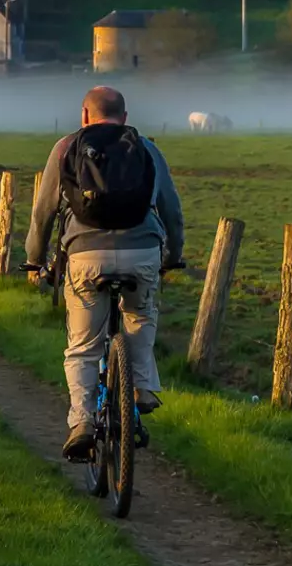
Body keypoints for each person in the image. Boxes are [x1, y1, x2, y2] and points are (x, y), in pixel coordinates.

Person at [25, 86, 184, 459]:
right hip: (143, 251)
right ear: (125, 117)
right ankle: (141, 387)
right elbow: (172, 211)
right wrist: (173, 255)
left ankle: (82, 421)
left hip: (85, 256)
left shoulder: (66, 148)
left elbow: (42, 212)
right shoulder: (146, 149)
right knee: (140, 314)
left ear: (84, 115)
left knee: (82, 347)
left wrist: (34, 259)